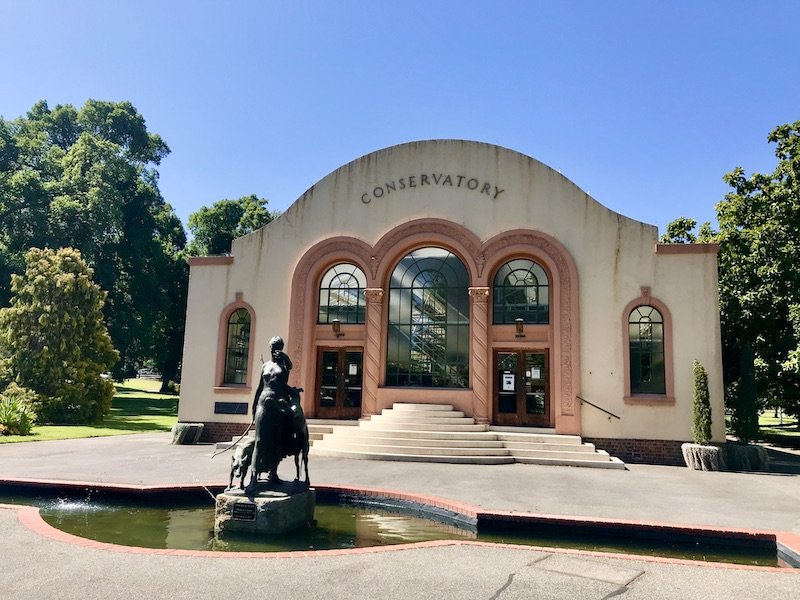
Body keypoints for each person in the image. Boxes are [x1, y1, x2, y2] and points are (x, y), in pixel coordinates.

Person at [246, 336, 297, 491]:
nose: (276, 350)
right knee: (260, 440)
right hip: (264, 402)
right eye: (274, 347)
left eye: (279, 347)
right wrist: (254, 407)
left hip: (279, 404)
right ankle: (254, 478)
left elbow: (290, 365)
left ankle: (273, 473)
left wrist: (284, 357)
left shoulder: (284, 365)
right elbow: (259, 387)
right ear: (270, 348)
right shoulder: (265, 366)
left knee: (277, 439)